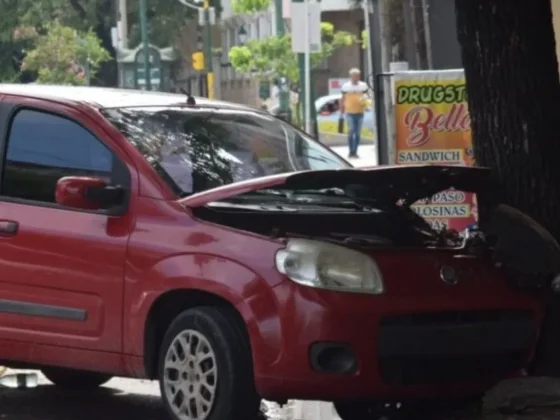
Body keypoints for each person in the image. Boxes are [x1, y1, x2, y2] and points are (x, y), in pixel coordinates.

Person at [340, 68, 369, 158]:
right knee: (351, 130)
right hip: (349, 112)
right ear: (351, 76)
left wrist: (366, 101)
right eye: (354, 76)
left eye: (357, 76)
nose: (356, 77)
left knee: (357, 133)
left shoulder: (363, 86)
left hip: (360, 112)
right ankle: (350, 150)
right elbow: (342, 99)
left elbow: (367, 97)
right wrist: (341, 111)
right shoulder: (346, 86)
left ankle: (355, 151)